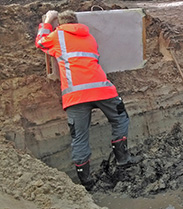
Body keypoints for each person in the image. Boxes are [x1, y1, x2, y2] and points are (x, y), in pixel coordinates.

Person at [35, 10, 140, 190]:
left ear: (59, 24)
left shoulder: (57, 35)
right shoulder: (89, 37)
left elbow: (40, 43)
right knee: (120, 118)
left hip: (76, 96)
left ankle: (87, 183)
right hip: (103, 90)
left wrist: (47, 21)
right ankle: (123, 159)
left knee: (80, 137)